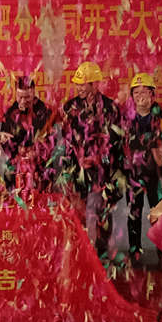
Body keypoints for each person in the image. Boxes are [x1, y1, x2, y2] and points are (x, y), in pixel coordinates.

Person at [61, 61, 123, 258]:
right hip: (78, 170)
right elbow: (67, 140)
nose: (79, 88)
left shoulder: (110, 109)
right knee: (79, 213)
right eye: (77, 84)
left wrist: (97, 158)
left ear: (95, 85)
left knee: (99, 213)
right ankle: (83, 254)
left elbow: (115, 142)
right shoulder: (70, 107)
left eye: (83, 84)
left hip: (101, 172)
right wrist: (73, 164)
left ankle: (100, 256)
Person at [121, 72, 162, 265]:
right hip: (133, 175)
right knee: (133, 215)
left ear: (152, 94)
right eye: (136, 92)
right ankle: (135, 253)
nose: (140, 96)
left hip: (156, 176)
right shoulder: (125, 119)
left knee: (159, 216)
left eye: (144, 92)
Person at [0, 75, 52, 190]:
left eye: (27, 97)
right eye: (20, 97)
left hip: (39, 166)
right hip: (17, 165)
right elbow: (4, 139)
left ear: (33, 92)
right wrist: (4, 139)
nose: (23, 101)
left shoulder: (44, 111)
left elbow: (51, 141)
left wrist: (37, 151)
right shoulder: (10, 112)